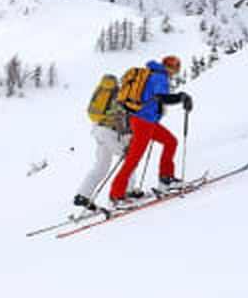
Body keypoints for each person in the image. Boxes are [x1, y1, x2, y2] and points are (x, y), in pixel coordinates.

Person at [109, 55, 193, 205]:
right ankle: (116, 196)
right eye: (175, 67)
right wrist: (181, 97)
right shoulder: (160, 77)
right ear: (171, 68)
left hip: (146, 120)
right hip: (143, 122)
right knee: (133, 158)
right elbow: (162, 97)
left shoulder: (152, 74)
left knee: (170, 141)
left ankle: (166, 179)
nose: (176, 70)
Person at [72, 88, 142, 210]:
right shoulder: (125, 100)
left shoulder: (109, 95)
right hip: (109, 133)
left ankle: (83, 195)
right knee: (130, 160)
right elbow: (122, 122)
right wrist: (128, 141)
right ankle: (125, 194)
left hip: (98, 131)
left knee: (101, 166)